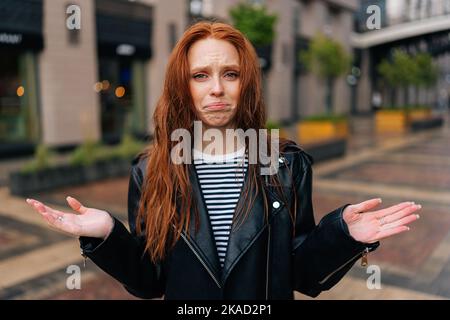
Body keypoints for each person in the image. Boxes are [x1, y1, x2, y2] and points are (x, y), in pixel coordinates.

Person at [26, 22, 421, 300]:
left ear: (245, 82)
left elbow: (300, 274)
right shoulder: (153, 169)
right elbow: (150, 282)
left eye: (230, 73)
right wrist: (108, 233)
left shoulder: (279, 160)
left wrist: (343, 236)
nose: (216, 89)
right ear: (182, 85)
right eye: (200, 75)